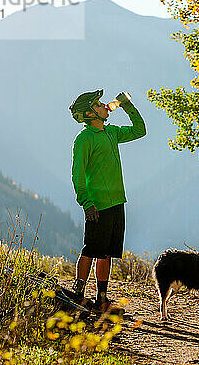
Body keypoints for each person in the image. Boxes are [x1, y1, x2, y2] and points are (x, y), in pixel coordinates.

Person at [69, 89, 146, 312]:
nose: (104, 105)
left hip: (116, 201)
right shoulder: (84, 139)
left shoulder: (111, 132)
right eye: (98, 103)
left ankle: (101, 299)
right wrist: (86, 202)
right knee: (91, 250)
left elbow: (140, 130)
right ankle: (78, 294)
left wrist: (127, 106)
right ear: (89, 113)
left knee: (107, 253)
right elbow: (78, 174)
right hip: (97, 205)